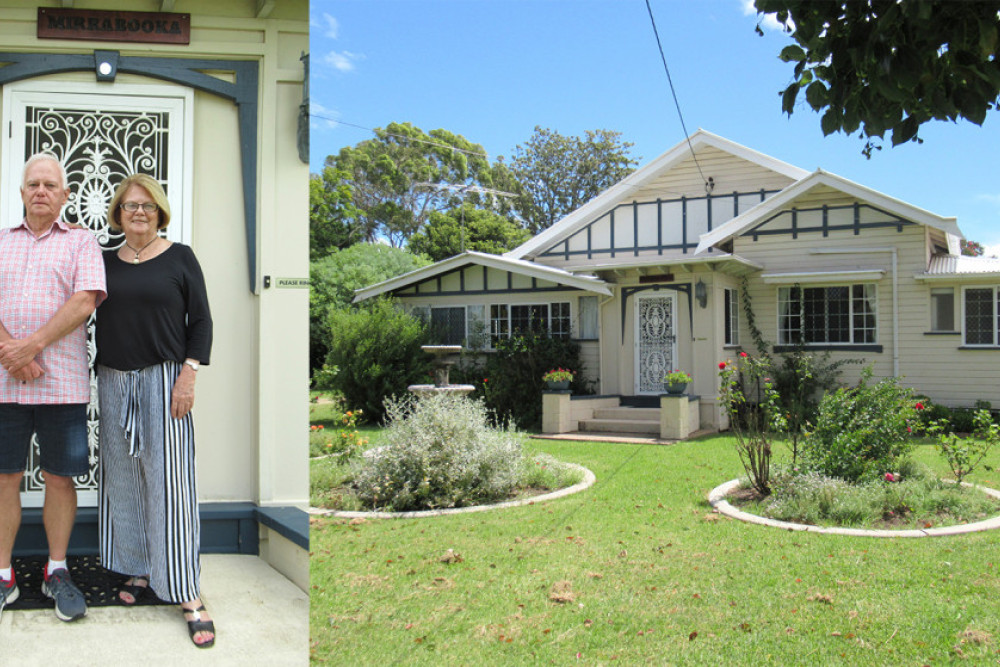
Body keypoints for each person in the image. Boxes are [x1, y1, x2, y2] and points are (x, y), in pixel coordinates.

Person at [95, 173, 214, 648]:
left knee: (171, 483)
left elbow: (201, 320)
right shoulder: (103, 262)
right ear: (118, 214)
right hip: (113, 379)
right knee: (124, 480)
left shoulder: (180, 257)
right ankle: (139, 570)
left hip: (166, 380)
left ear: (159, 211)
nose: (138, 212)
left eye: (146, 205)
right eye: (129, 206)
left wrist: (189, 373)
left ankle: (186, 591)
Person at [0, 153, 106, 622]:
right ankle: (3, 575)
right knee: (4, 477)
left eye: (50, 185)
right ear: (21, 192)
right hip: (4, 385)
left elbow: (85, 300)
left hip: (62, 386)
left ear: (65, 195)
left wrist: (32, 346)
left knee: (60, 478)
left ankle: (57, 570)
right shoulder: (0, 241)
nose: (40, 191)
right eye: (32, 184)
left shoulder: (82, 242)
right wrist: (11, 352)